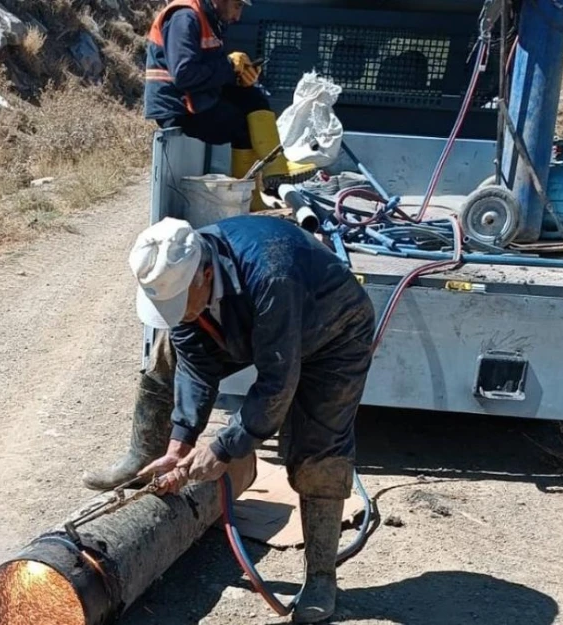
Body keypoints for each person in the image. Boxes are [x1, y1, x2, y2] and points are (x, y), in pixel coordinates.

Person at [117, 216, 374, 623]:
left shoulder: (271, 274)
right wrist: (180, 443)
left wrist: (225, 447)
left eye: (180, 301)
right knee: (171, 349)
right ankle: (141, 459)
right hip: (256, 324)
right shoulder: (187, 288)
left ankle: (322, 577)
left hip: (334, 333)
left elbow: (277, 383)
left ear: (205, 272)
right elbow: (197, 367)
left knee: (319, 452)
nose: (177, 313)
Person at [142, 0, 314, 208]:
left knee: (253, 98)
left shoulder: (208, 19)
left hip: (195, 99)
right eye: (237, 6)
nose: (238, 16)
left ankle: (275, 168)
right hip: (178, 107)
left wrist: (240, 76)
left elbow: (209, 72)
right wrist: (230, 66)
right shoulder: (185, 18)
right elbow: (184, 74)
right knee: (241, 124)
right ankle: (249, 200)